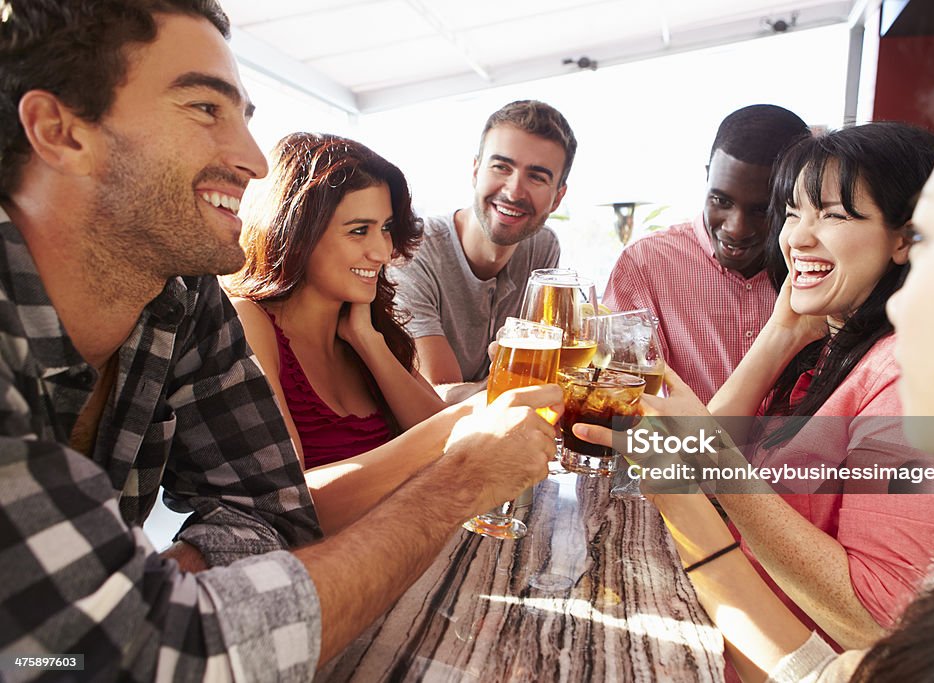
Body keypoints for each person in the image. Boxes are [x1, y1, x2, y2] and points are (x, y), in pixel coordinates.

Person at [0, 2, 561, 679]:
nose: (254, 160)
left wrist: (164, 600)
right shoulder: (238, 310)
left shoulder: (180, 302)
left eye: (244, 117)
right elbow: (144, 658)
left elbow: (271, 510)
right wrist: (458, 478)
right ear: (58, 131)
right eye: (205, 108)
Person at [580, 121, 934, 662]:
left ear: (906, 237)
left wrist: (713, 458)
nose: (796, 236)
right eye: (794, 211)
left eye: (835, 214)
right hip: (714, 633)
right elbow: (688, 470)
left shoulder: (924, 379)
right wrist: (779, 336)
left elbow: (884, 626)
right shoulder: (834, 352)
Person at [225, 133, 445, 469]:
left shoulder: (368, 329)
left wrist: (370, 345)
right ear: (297, 233)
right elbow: (290, 496)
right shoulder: (250, 321)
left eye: (386, 228)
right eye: (359, 230)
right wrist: (421, 456)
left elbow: (454, 441)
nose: (383, 252)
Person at [603, 105, 810, 403]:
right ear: (708, 176)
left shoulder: (819, 269)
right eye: (720, 200)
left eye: (762, 210)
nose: (736, 229)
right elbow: (617, 399)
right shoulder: (646, 264)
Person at [391, 100, 576, 402]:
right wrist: (518, 387)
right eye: (501, 167)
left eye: (537, 176)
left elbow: (543, 369)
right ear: (476, 171)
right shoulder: (414, 250)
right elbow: (438, 397)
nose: (514, 191)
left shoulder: (542, 247)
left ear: (557, 198)